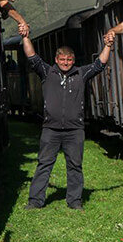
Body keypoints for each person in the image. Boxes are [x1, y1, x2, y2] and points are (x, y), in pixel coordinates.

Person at [22, 31, 113, 210]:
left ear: (73, 61)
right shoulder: (47, 72)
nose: (65, 63)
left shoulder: (81, 74)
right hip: (51, 129)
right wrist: (25, 37)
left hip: (74, 131)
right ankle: (35, 201)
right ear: (57, 59)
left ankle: (75, 201)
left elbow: (99, 64)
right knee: (44, 164)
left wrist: (108, 45)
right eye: (62, 60)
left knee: (75, 166)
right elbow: (32, 57)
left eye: (69, 60)